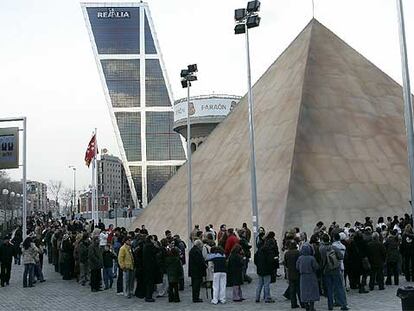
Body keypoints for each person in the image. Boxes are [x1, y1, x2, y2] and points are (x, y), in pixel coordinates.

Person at [319, 234, 349, 311]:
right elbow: (341, 257)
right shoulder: (334, 247)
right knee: (339, 287)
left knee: (329, 289)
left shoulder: (321, 248)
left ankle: (330, 305)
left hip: (326, 270)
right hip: (335, 269)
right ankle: (343, 304)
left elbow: (321, 261)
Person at [297, 243, 320, 311]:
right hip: (311, 276)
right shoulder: (312, 258)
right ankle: (312, 307)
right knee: (312, 292)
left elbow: (297, 267)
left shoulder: (300, 258)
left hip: (303, 277)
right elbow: (316, 267)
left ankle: (306, 306)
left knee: (304, 292)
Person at [254, 238, 277, 303]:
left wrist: (258, 266)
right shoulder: (269, 252)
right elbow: (271, 261)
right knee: (266, 284)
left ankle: (257, 297)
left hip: (260, 269)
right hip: (267, 270)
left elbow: (255, 260)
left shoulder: (258, 251)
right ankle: (267, 297)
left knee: (260, 284)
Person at [284, 241, 302, 309]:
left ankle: (293, 304)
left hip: (290, 273)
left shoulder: (287, 253)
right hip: (298, 272)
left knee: (292, 290)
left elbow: (285, 264)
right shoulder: (298, 253)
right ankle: (302, 303)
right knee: (299, 289)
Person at [143, 235, 158, 302]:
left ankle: (148, 295)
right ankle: (149, 297)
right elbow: (155, 251)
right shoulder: (150, 245)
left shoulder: (146, 245)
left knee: (148, 282)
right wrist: (155, 245)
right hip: (150, 266)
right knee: (150, 282)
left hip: (147, 266)